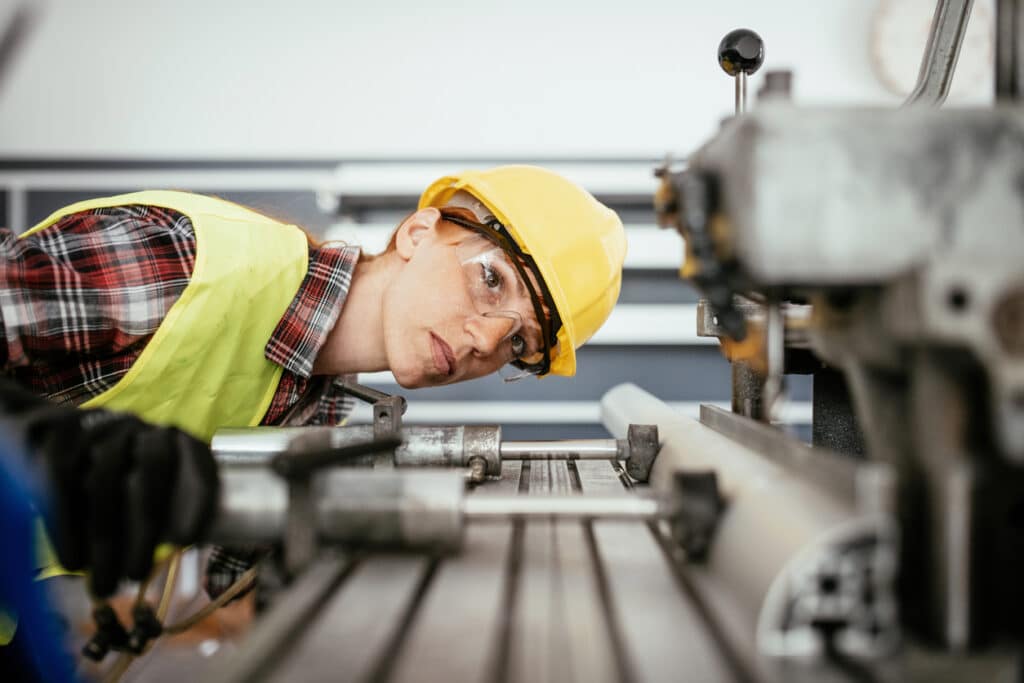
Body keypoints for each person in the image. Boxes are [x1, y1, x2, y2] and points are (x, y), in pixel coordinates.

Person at [0, 165, 627, 602]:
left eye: (519, 344)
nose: (487, 342)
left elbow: (232, 587)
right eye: (491, 279)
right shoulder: (186, 265)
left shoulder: (314, 407)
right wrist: (33, 442)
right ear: (417, 233)